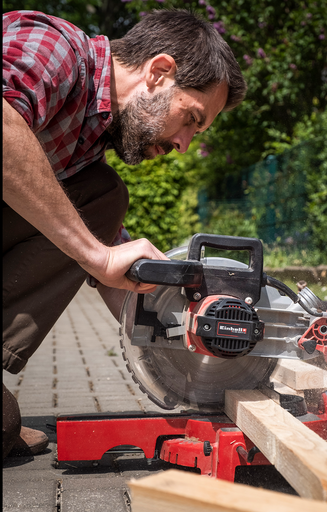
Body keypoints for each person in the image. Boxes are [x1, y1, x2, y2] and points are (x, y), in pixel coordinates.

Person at [3, 9, 247, 460]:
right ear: (159, 71)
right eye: (191, 118)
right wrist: (95, 255)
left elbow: (115, 265)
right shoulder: (57, 48)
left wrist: (184, 341)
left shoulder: (89, 143)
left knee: (102, 198)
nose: (184, 144)